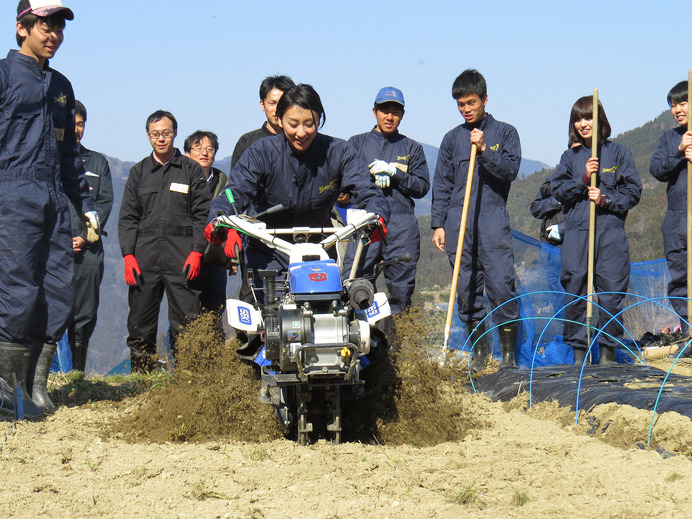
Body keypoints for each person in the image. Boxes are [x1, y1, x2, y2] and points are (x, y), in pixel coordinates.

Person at [0, 1, 97, 415]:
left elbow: (69, 153)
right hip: (11, 195)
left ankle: (36, 388)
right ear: (22, 28)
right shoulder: (4, 76)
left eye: (58, 26)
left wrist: (86, 205)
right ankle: (8, 392)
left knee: (58, 292)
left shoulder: (62, 86)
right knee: (18, 291)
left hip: (55, 198)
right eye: (44, 24)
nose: (53, 33)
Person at [208, 83, 389, 304]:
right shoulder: (261, 152)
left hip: (319, 247)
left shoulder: (339, 152)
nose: (301, 133)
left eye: (309, 124)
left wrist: (377, 215)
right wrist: (220, 215)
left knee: (328, 309)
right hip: (268, 249)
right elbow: (234, 191)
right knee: (274, 318)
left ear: (319, 119)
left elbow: (367, 190)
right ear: (279, 120)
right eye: (293, 124)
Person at [431, 69, 521, 372]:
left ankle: (508, 357)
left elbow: (510, 171)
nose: (466, 109)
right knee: (466, 290)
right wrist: (438, 224)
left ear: (484, 99)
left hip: (492, 218)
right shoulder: (451, 139)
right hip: (458, 220)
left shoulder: (505, 133)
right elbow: (441, 184)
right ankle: (481, 354)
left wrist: (484, 150)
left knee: (501, 285)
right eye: (461, 104)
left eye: (471, 102)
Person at [551, 96, 642, 365]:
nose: (583, 123)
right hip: (577, 232)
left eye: (588, 117)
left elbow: (634, 191)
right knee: (575, 292)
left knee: (611, 295)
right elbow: (557, 190)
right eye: (578, 119)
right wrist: (581, 180)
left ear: (599, 118)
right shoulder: (570, 157)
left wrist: (606, 199)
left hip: (610, 231)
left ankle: (607, 356)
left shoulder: (618, 153)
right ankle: (579, 355)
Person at [118, 111, 211, 372]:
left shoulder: (191, 170)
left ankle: (186, 379)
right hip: (144, 258)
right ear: (148, 136)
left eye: (166, 133)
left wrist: (196, 252)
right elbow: (127, 217)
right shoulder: (138, 172)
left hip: (182, 258)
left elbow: (202, 215)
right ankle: (142, 378)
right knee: (140, 322)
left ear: (175, 134)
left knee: (187, 321)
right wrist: (128, 255)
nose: (161, 139)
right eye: (156, 134)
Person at [343, 87, 430, 314]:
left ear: (402, 114)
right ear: (374, 112)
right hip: (364, 219)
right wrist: (368, 176)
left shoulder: (412, 148)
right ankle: (359, 339)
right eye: (384, 110)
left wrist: (396, 173)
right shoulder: (356, 143)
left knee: (401, 289)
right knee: (355, 281)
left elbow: (422, 187)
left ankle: (395, 339)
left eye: (395, 111)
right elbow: (343, 181)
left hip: (402, 223)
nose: (389, 116)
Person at [66, 100, 114, 372]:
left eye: (80, 124)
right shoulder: (46, 162)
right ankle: (44, 378)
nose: (76, 130)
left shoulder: (96, 162)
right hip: (53, 251)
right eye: (71, 124)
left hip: (89, 251)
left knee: (85, 313)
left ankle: (77, 373)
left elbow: (104, 203)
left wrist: (85, 236)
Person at [650, 81, 692, 340]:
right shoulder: (670, 138)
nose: (677, 109)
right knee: (680, 279)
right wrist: (678, 151)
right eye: (673, 105)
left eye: (682, 102)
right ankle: (688, 332)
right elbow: (657, 170)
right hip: (676, 217)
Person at [183, 130, 233, 332]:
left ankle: (214, 360)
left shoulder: (224, 181)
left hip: (215, 257)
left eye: (209, 149)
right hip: (185, 254)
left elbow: (233, 219)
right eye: (198, 148)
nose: (204, 153)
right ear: (187, 153)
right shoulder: (180, 179)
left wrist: (233, 258)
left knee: (214, 311)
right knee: (185, 313)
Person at [231, 75, 296, 167]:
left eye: (282, 103)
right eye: (272, 103)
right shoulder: (247, 142)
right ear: (262, 105)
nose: (277, 109)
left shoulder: (300, 140)